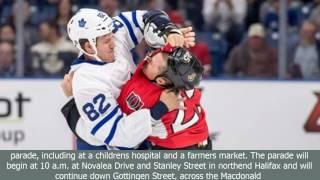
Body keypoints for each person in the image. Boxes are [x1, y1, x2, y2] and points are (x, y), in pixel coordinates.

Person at [61, 8, 195, 150]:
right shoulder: (87, 83)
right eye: (107, 41)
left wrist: (168, 31)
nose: (114, 43)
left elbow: (146, 16)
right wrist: (161, 107)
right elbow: (120, 135)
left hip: (137, 128)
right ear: (88, 46)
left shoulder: (107, 35)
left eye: (112, 35)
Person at [117, 44, 211, 150]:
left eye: (149, 62)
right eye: (151, 54)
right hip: (202, 138)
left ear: (160, 80)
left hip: (179, 149)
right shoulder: (181, 81)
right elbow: (165, 49)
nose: (147, 58)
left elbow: (124, 128)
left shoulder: (145, 98)